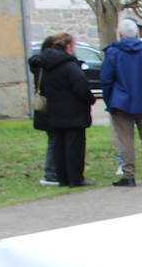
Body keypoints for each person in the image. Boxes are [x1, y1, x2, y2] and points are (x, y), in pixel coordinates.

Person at [100, 18, 142, 188]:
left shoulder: (114, 52)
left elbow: (106, 79)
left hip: (121, 100)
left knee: (126, 139)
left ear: (121, 33)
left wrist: (109, 99)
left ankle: (128, 175)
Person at [29, 33, 95, 187]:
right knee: (74, 147)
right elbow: (81, 88)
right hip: (73, 111)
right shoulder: (70, 66)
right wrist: (90, 99)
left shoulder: (45, 66)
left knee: (59, 145)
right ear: (68, 46)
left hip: (54, 110)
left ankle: (62, 177)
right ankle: (75, 178)